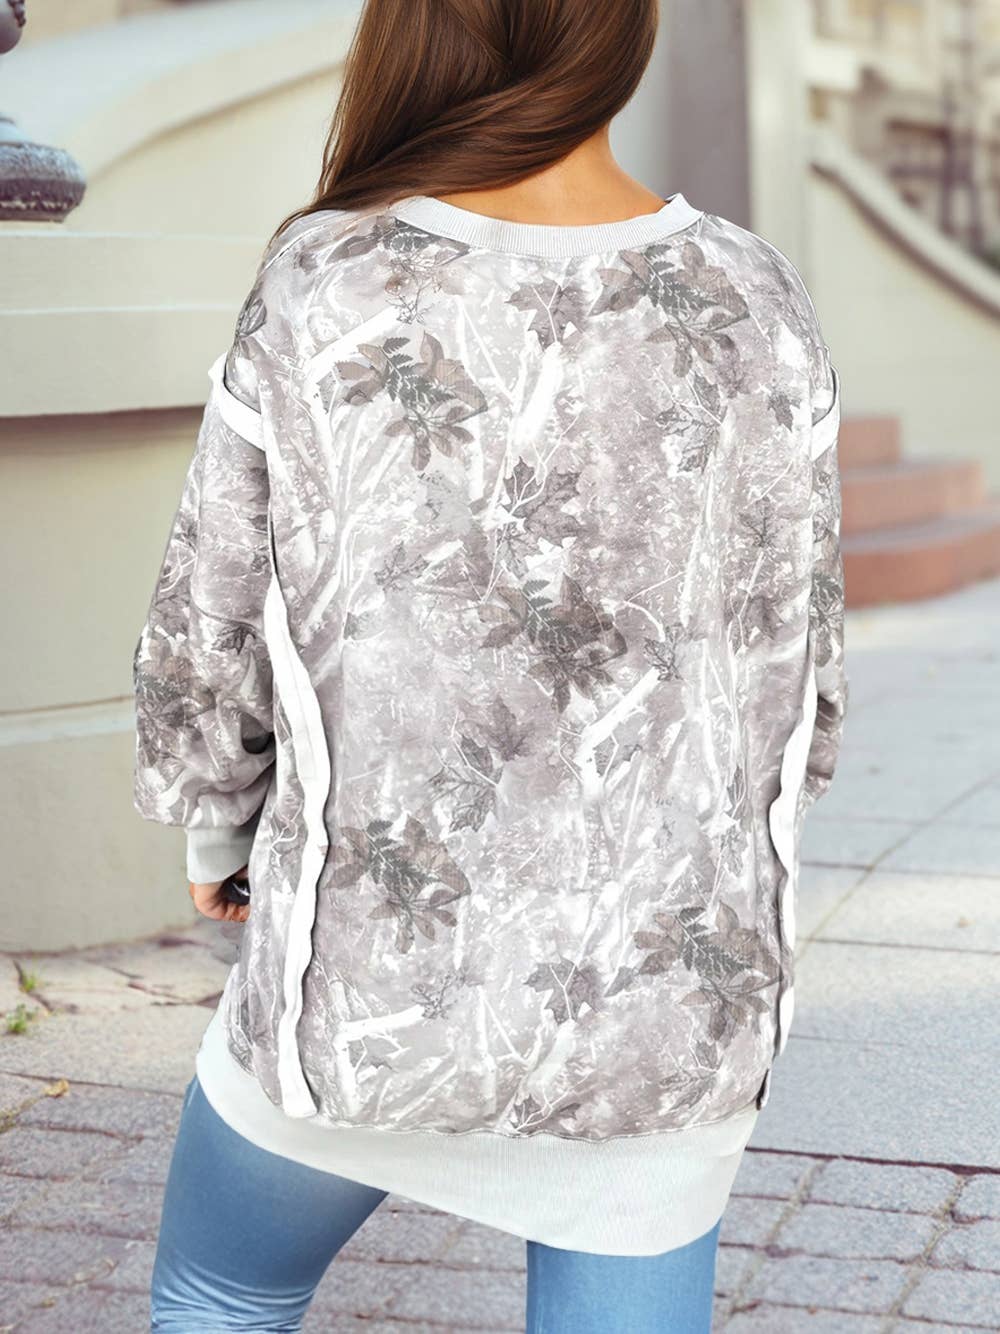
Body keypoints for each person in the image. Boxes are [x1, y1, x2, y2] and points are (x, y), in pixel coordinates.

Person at [131, 0, 848, 1329]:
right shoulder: (758, 296)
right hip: (662, 1016)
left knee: (222, 1293)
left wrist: (220, 825)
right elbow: (798, 653)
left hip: (369, 988)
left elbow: (214, 613)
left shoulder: (327, 280)